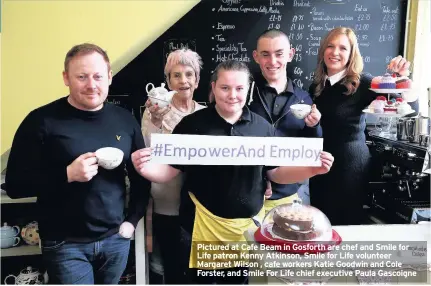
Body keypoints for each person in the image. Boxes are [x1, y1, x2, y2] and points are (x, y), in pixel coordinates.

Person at [132, 60, 334, 284]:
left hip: (245, 230)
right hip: (200, 226)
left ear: (248, 90)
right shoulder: (192, 125)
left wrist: (312, 169)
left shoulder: (262, 128)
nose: (232, 95)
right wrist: (144, 168)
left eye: (239, 89)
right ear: (213, 88)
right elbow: (171, 171)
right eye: (225, 88)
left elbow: (275, 173)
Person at [4, 43, 150, 284]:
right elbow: (15, 186)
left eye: (98, 76)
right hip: (64, 245)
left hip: (116, 240)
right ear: (66, 78)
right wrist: (67, 174)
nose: (91, 85)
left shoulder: (124, 120)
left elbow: (140, 176)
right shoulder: (41, 120)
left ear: (109, 77)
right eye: (81, 77)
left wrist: (131, 222)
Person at [308, 27, 418, 225]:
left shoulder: (363, 83)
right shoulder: (316, 86)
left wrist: (402, 80)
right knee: (320, 228)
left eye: (343, 48)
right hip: (320, 168)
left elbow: (410, 108)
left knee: (346, 231)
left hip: (351, 171)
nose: (335, 52)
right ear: (323, 50)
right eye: (330, 46)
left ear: (351, 55)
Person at [141, 49, 206, 284]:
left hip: (199, 204)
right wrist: (156, 121)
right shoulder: (155, 110)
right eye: (176, 75)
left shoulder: (205, 114)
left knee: (196, 266)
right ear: (168, 81)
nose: (183, 80)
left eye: (189, 74)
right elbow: (149, 149)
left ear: (197, 80)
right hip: (166, 201)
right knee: (172, 265)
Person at [249, 29, 322, 211]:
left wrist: (314, 126)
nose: (272, 62)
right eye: (265, 55)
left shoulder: (303, 98)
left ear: (290, 54)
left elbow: (311, 149)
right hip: (249, 191)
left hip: (290, 194)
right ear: (256, 57)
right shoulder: (244, 95)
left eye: (279, 54)